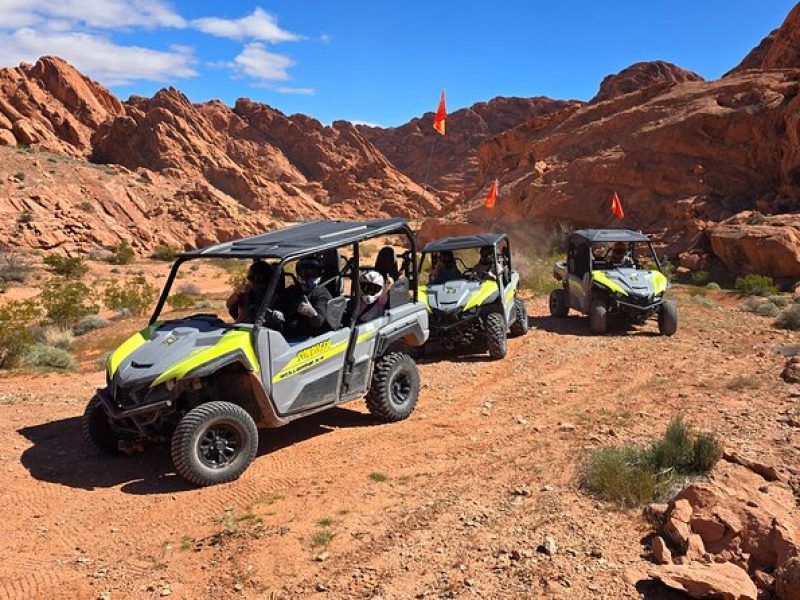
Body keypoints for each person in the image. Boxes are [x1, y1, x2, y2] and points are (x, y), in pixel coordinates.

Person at [278, 256, 332, 338]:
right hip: (287, 334)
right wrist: (277, 313)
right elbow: (279, 305)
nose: (308, 276)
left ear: (320, 274)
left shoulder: (321, 293)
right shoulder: (291, 291)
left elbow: (319, 322)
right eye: (304, 272)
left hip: (309, 338)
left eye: (313, 273)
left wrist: (312, 313)